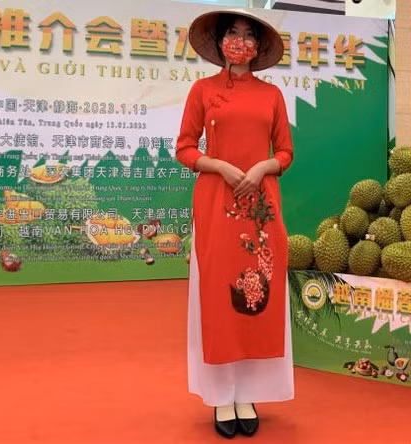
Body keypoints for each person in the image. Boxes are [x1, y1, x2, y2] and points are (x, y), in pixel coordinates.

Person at [175, 9, 294, 439]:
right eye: (233, 34)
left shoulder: (271, 95)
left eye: (248, 35)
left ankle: (248, 392)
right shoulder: (202, 91)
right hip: (216, 201)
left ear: (259, 48)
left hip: (261, 205)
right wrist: (221, 167)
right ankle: (222, 395)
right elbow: (185, 149)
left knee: (258, 292)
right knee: (219, 295)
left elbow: (285, 152)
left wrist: (263, 166)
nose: (240, 41)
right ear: (221, 41)